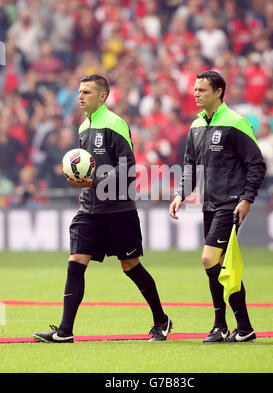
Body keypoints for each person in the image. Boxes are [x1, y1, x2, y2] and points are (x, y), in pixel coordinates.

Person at [33, 74, 172, 343]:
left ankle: (161, 319)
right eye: (79, 92)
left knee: (130, 266)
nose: (80, 96)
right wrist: (78, 179)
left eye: (86, 92)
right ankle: (64, 331)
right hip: (89, 209)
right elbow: (88, 166)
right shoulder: (84, 127)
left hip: (119, 209)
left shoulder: (115, 124)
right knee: (76, 263)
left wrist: (93, 180)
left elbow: (127, 168)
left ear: (102, 96)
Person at [169, 70, 266, 343]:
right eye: (195, 89)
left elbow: (256, 164)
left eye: (201, 90)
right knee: (223, 266)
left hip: (231, 203)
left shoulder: (236, 123)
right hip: (209, 205)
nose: (196, 94)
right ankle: (243, 327)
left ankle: (220, 325)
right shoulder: (196, 125)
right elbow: (189, 166)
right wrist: (180, 194)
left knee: (208, 259)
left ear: (218, 91)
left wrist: (247, 199)